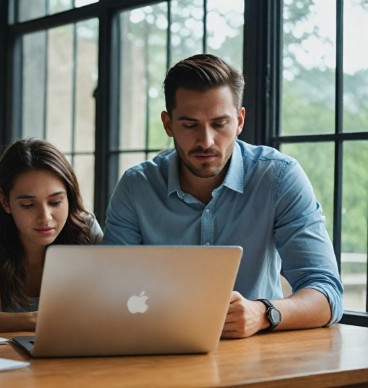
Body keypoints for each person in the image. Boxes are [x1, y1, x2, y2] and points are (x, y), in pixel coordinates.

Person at [103, 54, 343, 339]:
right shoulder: (136, 187)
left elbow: (327, 294)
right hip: (161, 351)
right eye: (190, 125)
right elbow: (109, 293)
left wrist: (263, 313)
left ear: (239, 121)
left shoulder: (279, 177)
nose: (206, 141)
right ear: (168, 124)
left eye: (220, 124)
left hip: (259, 356)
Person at [0, 138, 103, 333]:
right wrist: (44, 319)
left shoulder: (86, 232)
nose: (45, 218)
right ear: (5, 201)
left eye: (55, 202)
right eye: (28, 205)